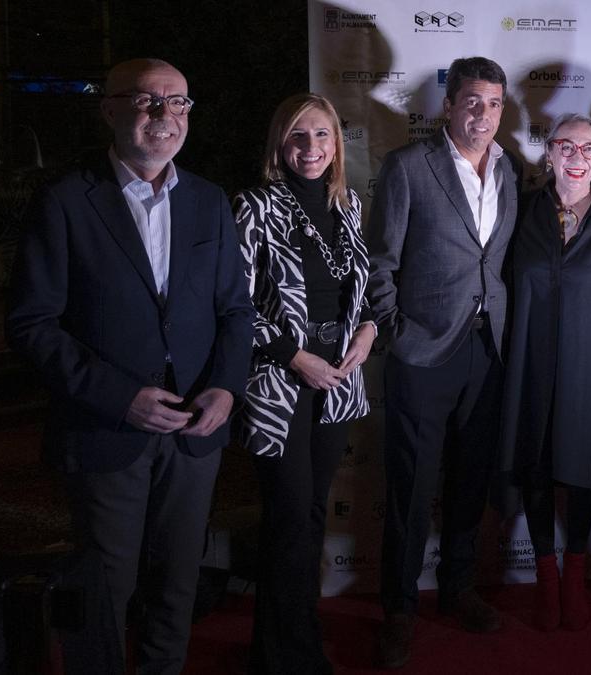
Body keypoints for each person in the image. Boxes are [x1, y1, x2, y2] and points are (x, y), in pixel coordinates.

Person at [6, 58, 254, 674]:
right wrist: (122, 398)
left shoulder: (208, 201)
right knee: (103, 591)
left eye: (178, 102)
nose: (164, 115)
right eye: (145, 101)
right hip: (107, 429)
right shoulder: (65, 201)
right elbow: (33, 325)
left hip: (196, 431)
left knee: (177, 583)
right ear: (110, 110)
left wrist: (225, 389)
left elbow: (236, 313)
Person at [364, 56, 519, 668]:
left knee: (469, 481)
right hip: (422, 351)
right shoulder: (408, 166)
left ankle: (459, 589)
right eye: (472, 101)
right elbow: (380, 263)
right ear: (449, 104)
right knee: (410, 487)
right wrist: (397, 334)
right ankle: (398, 610)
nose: (483, 113)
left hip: (487, 349)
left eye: (494, 103)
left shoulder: (512, 169)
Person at [233, 93, 375, 674]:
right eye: (298, 137)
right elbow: (234, 304)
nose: (311, 148)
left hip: (337, 381)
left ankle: (290, 647)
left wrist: (368, 329)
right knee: (288, 520)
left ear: (336, 142)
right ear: (279, 144)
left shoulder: (350, 207)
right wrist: (294, 356)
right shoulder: (254, 206)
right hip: (281, 383)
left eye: (321, 136)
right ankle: (286, 656)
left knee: (312, 517)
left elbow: (358, 292)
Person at [498, 113, 591, 631]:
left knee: (583, 470)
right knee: (538, 467)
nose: (577, 157)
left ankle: (577, 578)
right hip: (530, 364)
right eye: (566, 146)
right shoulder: (520, 212)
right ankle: (546, 580)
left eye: (589, 148)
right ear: (549, 155)